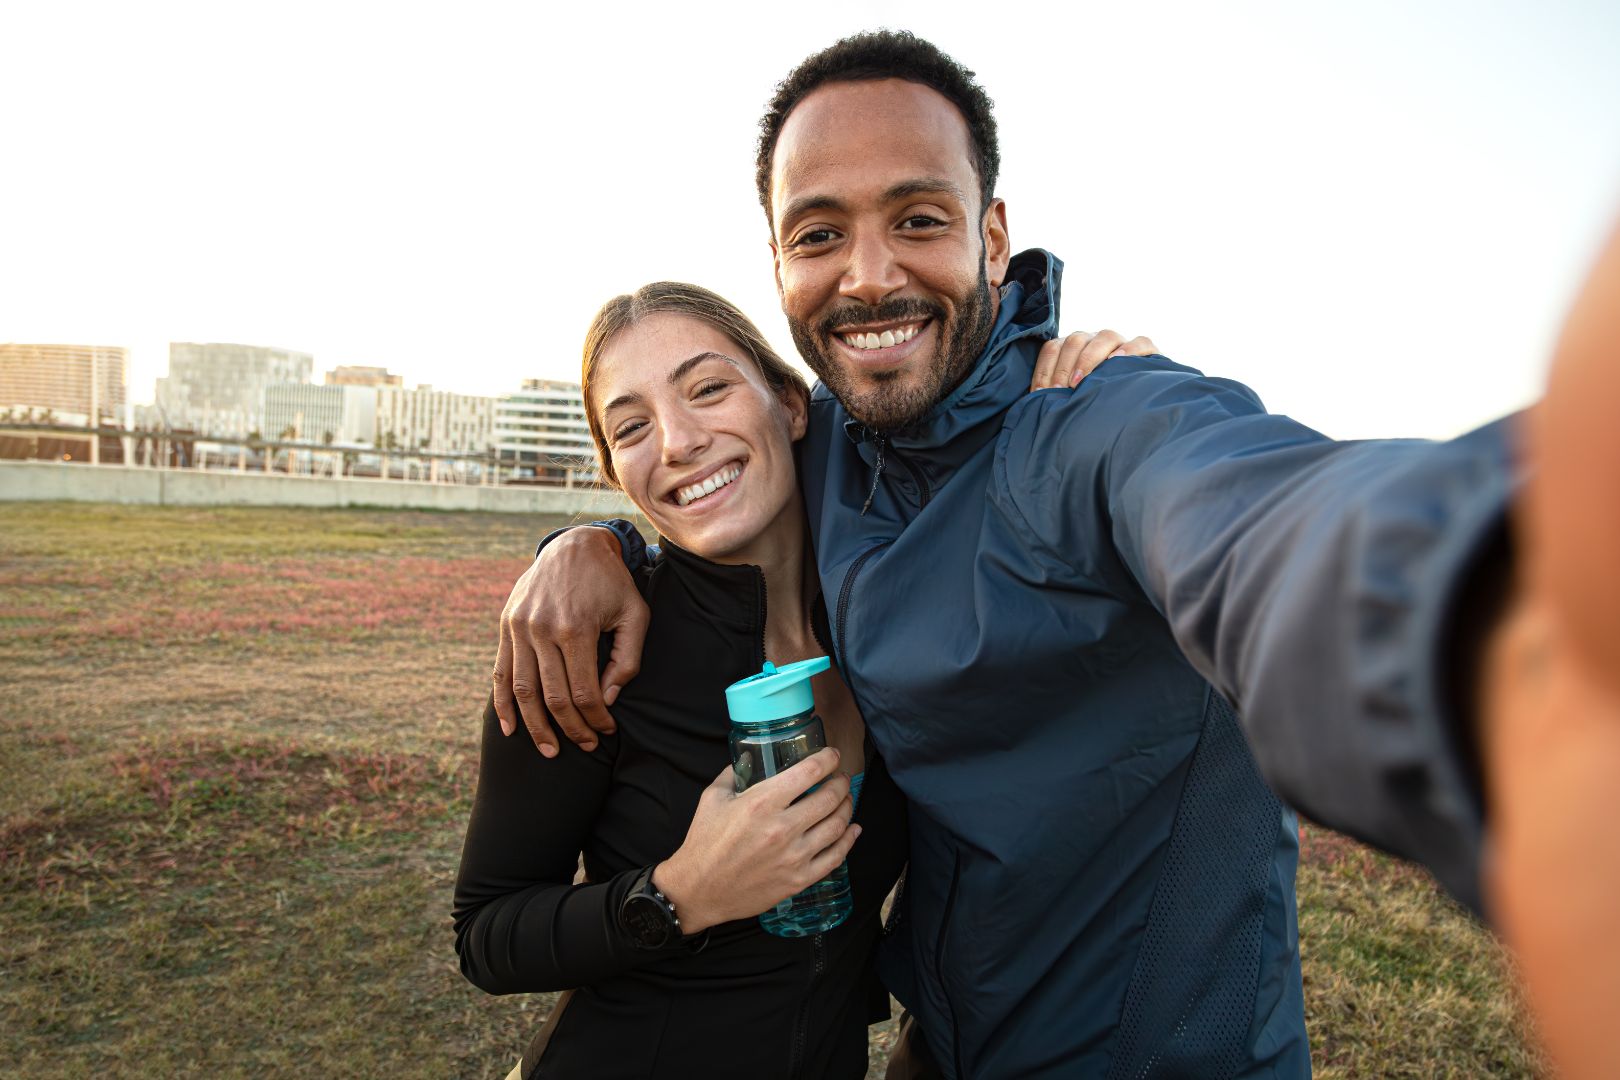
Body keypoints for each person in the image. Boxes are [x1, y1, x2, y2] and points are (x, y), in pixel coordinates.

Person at [491, 31, 1529, 1078]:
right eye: (819, 234)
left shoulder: (1100, 418)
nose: (869, 275)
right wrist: (590, 543)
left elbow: (1258, 515)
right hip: (942, 1051)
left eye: (918, 219)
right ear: (779, 268)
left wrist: (1471, 588)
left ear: (993, 238)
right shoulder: (837, 445)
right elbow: (700, 464)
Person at [454, 281, 1138, 1079]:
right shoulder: (593, 651)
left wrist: (1105, 388)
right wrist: (681, 894)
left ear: (790, 403)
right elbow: (487, 934)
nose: (675, 441)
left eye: (708, 388)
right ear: (615, 469)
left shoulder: (892, 614)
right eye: (631, 426)